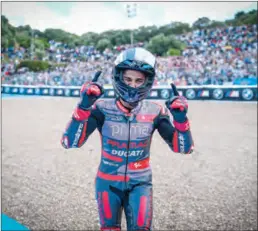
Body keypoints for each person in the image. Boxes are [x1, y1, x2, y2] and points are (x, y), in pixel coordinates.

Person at [61, 47, 194, 231]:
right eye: (128, 79)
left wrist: (181, 121)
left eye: (139, 80)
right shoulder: (101, 108)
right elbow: (70, 143)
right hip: (107, 183)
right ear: (118, 77)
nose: (133, 85)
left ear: (148, 81)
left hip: (140, 183)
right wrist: (83, 108)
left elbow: (184, 149)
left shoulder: (155, 111)